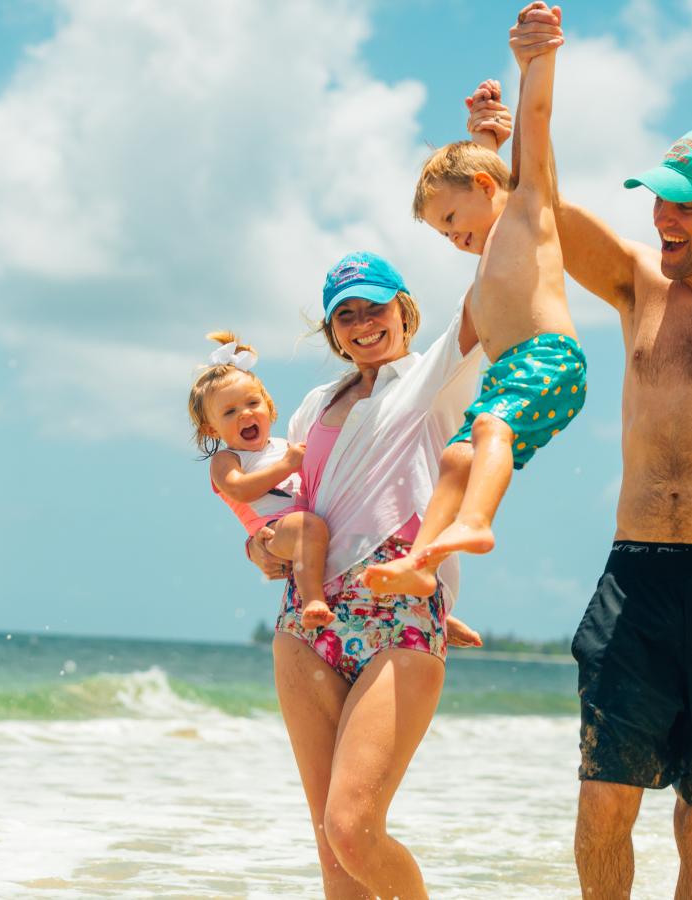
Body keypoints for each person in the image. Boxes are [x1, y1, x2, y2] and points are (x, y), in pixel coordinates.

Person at [504, 3, 692, 897]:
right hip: (636, 578)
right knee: (604, 799)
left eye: (683, 204)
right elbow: (540, 209)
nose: (662, 217)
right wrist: (530, 79)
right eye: (658, 201)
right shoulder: (641, 283)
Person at [247, 249, 484, 897]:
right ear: (332, 332)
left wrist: (507, 187)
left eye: (375, 307)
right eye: (345, 315)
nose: (362, 323)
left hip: (400, 612)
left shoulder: (434, 378)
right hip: (306, 618)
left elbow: (494, 292)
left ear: (404, 310)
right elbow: (287, 509)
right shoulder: (313, 406)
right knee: (331, 850)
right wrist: (262, 547)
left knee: (354, 828)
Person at [364, 3, 586, 599]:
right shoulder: (488, 246)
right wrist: (482, 132)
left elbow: (533, 127)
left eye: (453, 220)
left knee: (489, 429)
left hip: (548, 358)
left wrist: (535, 61)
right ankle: (421, 562)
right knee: (457, 460)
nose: (453, 237)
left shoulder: (525, 212)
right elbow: (474, 175)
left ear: (486, 191)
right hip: (512, 374)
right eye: (442, 233)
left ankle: (477, 520)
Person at [188, 331, 334, 630]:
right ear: (212, 430)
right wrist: (288, 465)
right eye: (229, 412)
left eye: (252, 403)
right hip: (272, 532)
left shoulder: (284, 445)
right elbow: (240, 490)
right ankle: (312, 601)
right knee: (309, 526)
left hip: (306, 526)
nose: (245, 414)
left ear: (269, 406)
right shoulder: (227, 460)